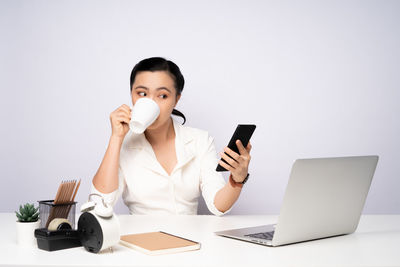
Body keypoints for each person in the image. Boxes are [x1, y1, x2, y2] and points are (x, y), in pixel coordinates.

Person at [91, 57, 252, 215]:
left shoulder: (200, 141)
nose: (151, 102)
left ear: (176, 100)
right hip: (141, 237)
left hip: (189, 238)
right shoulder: (122, 144)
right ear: (131, 94)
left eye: (162, 96)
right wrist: (116, 138)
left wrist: (237, 180)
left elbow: (218, 205)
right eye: (141, 93)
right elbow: (100, 202)